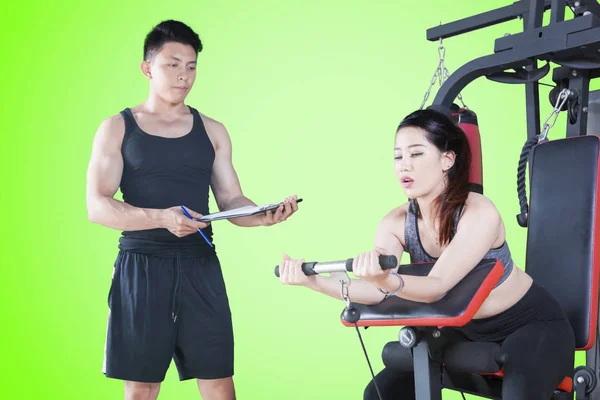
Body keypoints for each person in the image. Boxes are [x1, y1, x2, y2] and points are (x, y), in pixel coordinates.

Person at [277, 109, 575, 400]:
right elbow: (375, 291)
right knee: (382, 392)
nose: (404, 166)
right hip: (465, 330)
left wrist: (389, 281)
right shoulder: (395, 223)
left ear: (447, 159)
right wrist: (313, 282)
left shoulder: (479, 212)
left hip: (532, 325)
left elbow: (436, 285)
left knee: (519, 392)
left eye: (416, 154)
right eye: (398, 156)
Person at [86, 19, 299, 400]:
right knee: (141, 387)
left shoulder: (213, 130)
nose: (184, 75)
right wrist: (161, 218)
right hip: (142, 264)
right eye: (173, 64)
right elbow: (97, 206)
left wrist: (261, 215)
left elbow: (232, 200)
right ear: (147, 68)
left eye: (191, 66)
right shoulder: (117, 128)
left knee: (218, 381)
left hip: (200, 263)